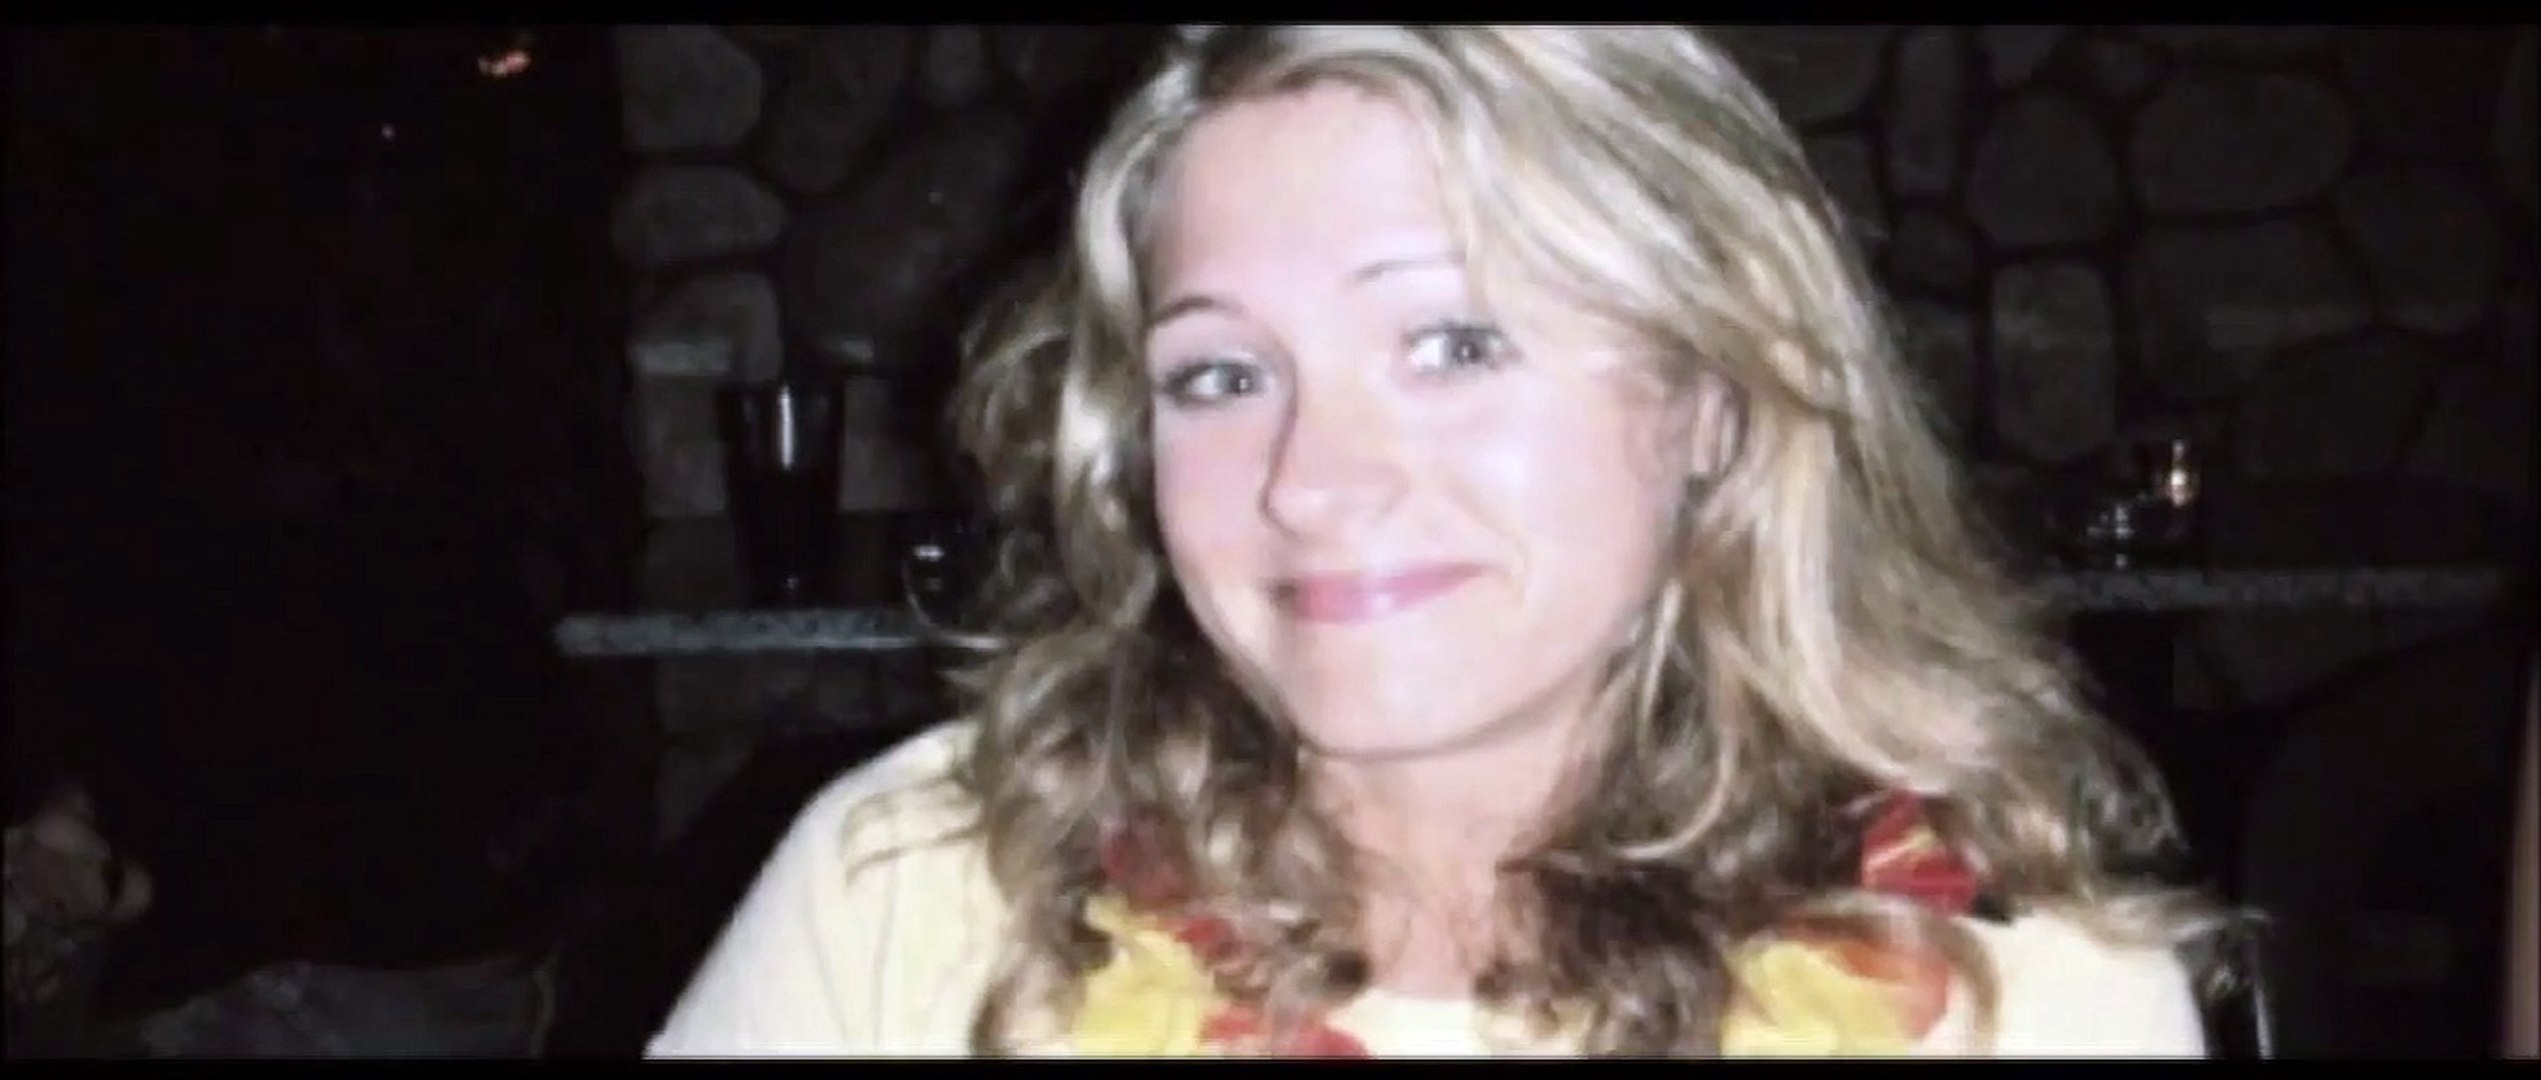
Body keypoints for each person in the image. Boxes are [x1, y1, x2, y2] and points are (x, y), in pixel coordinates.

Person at [649, 25, 2233, 1057]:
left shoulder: (2017, 992)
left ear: (1713, 394)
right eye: (1219, 375)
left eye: (1453, 344)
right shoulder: (913, 889)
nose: (1309, 480)